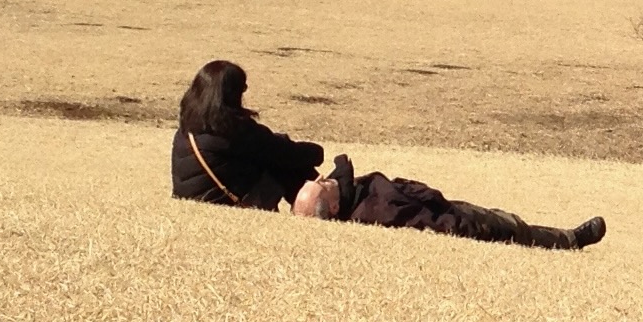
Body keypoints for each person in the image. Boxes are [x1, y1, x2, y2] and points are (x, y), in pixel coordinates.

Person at [292, 153, 603, 250]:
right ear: (333, 208)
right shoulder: (376, 211)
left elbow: (342, 175)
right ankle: (572, 240)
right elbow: (427, 222)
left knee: (508, 220)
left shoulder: (348, 196)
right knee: (513, 228)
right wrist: (466, 227)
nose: (324, 179)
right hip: (457, 220)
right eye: (322, 186)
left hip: (448, 207)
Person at [171, 60, 323, 209]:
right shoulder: (235, 129)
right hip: (225, 202)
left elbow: (267, 144)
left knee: (271, 156)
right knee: (283, 164)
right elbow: (285, 152)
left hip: (194, 198)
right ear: (232, 93)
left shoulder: (186, 129)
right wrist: (318, 152)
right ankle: (327, 206)